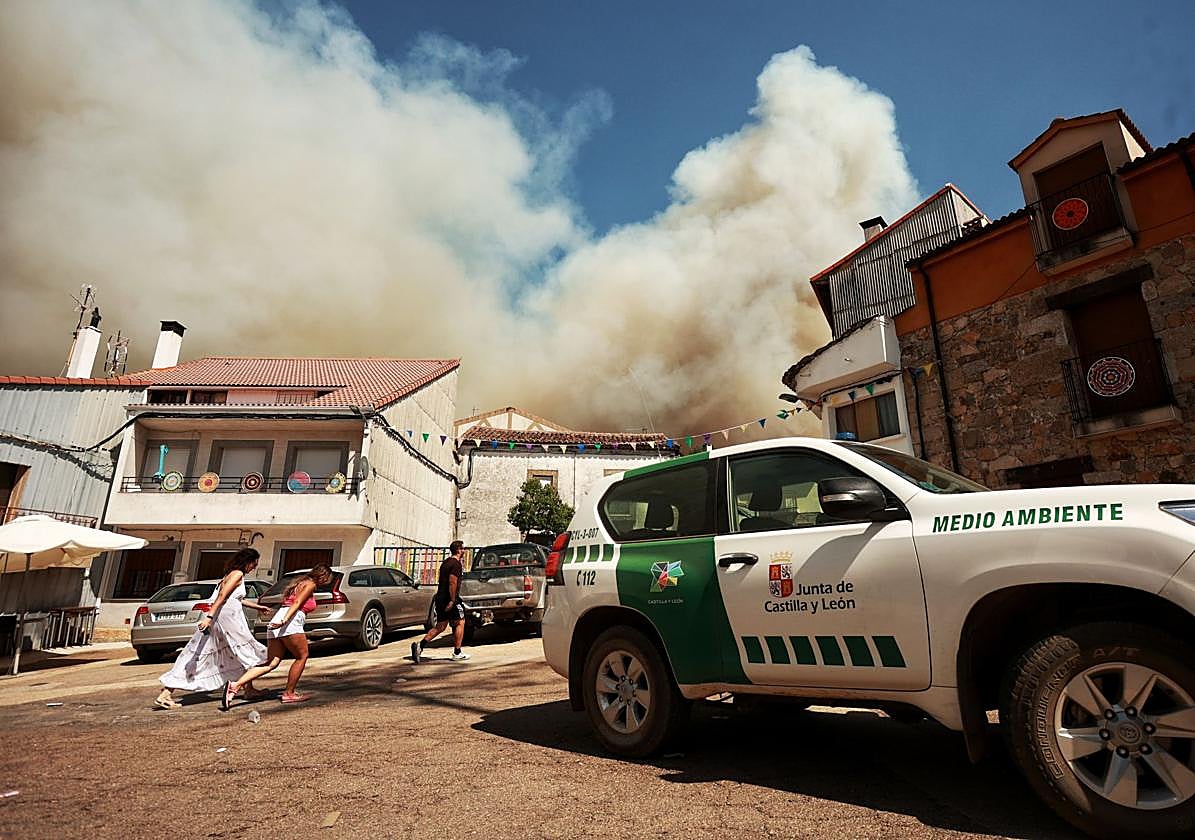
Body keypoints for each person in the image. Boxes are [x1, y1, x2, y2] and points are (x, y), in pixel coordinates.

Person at [154, 547, 272, 710]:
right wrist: (209, 617)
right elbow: (222, 596)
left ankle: (249, 689)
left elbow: (237, 599)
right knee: (244, 651)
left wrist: (258, 607)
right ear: (247, 562)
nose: (254, 567)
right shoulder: (236, 574)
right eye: (253, 563)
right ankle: (166, 693)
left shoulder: (231, 575)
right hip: (227, 621)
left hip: (224, 618)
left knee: (227, 653)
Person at [224, 564, 333, 706]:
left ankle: (235, 685)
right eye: (328, 578)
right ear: (323, 576)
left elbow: (291, 602)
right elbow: (298, 602)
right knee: (302, 656)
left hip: (276, 620)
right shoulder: (310, 584)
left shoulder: (298, 583)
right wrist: (285, 620)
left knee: (272, 662)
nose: (328, 581)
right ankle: (289, 693)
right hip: (289, 621)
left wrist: (281, 620)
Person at [412, 541, 469, 662]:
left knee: (441, 626)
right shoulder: (456, 564)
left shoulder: (446, 563)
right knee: (460, 622)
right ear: (458, 550)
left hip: (440, 597)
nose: (464, 551)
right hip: (450, 598)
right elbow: (452, 582)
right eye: (463, 549)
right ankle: (457, 652)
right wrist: (453, 600)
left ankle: (420, 645)